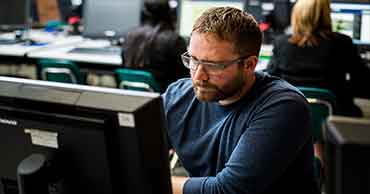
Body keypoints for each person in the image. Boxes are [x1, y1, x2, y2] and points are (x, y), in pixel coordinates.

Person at [162, 6, 320, 194]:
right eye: (194, 60)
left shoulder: (284, 107)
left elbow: (229, 190)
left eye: (213, 65)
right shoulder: (178, 96)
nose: (198, 77)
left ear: (249, 64)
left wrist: (154, 182)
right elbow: (135, 149)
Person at [266, 0, 370, 117]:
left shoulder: (281, 43)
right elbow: (363, 82)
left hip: (290, 117)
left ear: (296, 15)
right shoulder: (342, 43)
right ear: (326, 15)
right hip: (335, 117)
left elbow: (270, 79)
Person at [121, 0, 188, 92]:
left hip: (134, 98)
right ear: (170, 13)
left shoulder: (129, 35)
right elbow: (185, 76)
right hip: (165, 99)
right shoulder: (174, 40)